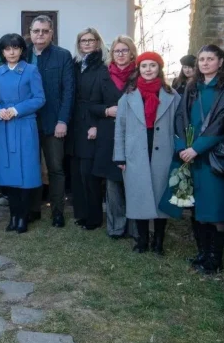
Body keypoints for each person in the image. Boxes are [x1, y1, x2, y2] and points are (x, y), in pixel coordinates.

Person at [161, 45, 224, 274]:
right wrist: (181, 146)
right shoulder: (192, 86)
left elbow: (222, 122)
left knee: (215, 209)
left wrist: (197, 148)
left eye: (210, 59)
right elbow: (180, 117)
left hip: (213, 155)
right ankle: (202, 253)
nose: (204, 63)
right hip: (189, 154)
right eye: (202, 59)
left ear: (221, 62)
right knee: (197, 208)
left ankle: (215, 259)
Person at [114, 52, 180, 254]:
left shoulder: (172, 95)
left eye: (153, 65)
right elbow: (120, 127)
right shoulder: (128, 96)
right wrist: (120, 155)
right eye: (144, 66)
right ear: (139, 69)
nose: (148, 69)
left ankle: (158, 242)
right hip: (136, 152)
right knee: (138, 195)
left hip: (163, 150)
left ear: (159, 68)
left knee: (161, 195)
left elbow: (179, 125)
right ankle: (141, 240)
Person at [0, 33, 45, 234]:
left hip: (24, 125)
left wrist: (16, 110)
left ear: (22, 50)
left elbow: (39, 98)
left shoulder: (31, 71)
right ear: (2, 52)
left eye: (15, 48)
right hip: (4, 127)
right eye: (7, 48)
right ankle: (13, 215)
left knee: (25, 172)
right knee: (8, 173)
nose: (11, 52)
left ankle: (23, 217)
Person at [23, 16, 73, 227]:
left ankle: (57, 212)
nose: (40, 34)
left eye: (45, 31)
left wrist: (63, 120)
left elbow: (69, 91)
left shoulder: (63, 56)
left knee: (55, 168)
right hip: (28, 121)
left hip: (53, 122)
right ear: (30, 33)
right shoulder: (22, 53)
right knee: (31, 166)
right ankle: (33, 210)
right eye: (36, 31)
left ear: (51, 33)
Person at [93, 35, 136, 239]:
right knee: (112, 183)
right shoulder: (102, 75)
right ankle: (116, 227)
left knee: (136, 180)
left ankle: (137, 227)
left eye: (124, 50)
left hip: (135, 135)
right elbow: (91, 104)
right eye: (117, 51)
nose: (120, 54)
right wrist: (106, 111)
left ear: (131, 53)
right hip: (109, 134)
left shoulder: (140, 74)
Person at [69, 27, 110, 231]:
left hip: (91, 123)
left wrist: (95, 124)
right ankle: (82, 213)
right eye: (83, 40)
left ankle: (94, 217)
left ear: (97, 42)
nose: (86, 43)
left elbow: (103, 98)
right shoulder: (77, 65)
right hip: (75, 122)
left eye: (90, 40)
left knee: (89, 172)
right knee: (77, 171)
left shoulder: (102, 67)